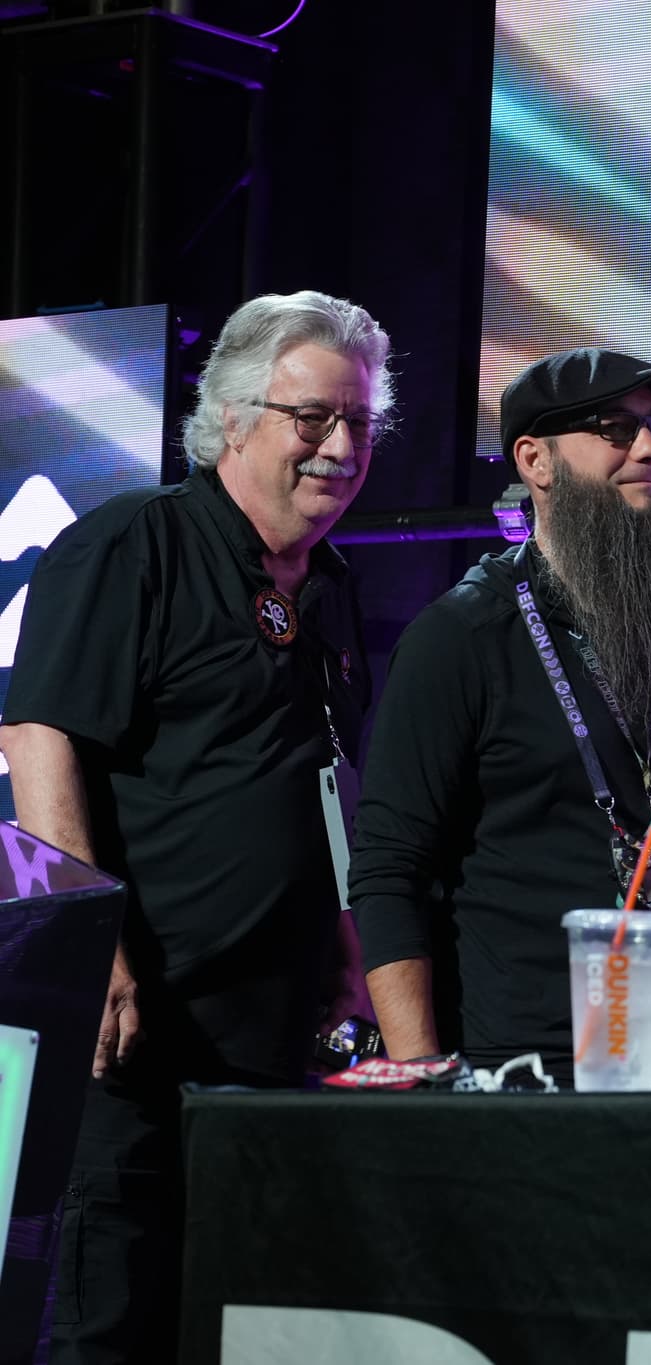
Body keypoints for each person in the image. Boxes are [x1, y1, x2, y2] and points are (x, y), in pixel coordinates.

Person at [0, 290, 388, 1361]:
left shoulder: (334, 590)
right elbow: (36, 735)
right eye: (312, 418)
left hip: (263, 1057)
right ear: (231, 418)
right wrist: (85, 948)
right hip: (126, 1052)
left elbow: (308, 779)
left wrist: (342, 942)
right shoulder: (135, 541)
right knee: (105, 1329)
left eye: (360, 422)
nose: (341, 447)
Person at [351, 349, 651, 1085]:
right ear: (535, 460)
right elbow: (389, 871)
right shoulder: (461, 637)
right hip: (513, 1082)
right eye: (614, 429)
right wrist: (419, 1083)